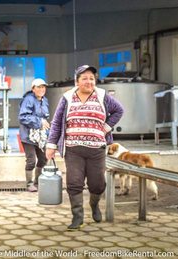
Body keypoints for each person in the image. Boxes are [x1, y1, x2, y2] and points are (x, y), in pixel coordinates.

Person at [45, 65, 124, 231]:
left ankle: (94, 205)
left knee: (98, 184)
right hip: (73, 149)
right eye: (85, 78)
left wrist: (107, 127)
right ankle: (77, 217)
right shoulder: (67, 98)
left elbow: (119, 110)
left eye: (92, 78)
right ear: (77, 81)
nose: (89, 81)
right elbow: (57, 123)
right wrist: (51, 145)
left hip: (97, 150)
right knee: (74, 183)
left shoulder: (102, 96)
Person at [18, 78, 50, 192]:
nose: (42, 89)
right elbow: (23, 117)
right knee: (31, 160)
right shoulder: (28, 100)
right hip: (28, 136)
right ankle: (29, 184)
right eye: (39, 87)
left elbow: (45, 117)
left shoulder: (45, 100)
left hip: (41, 136)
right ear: (33, 89)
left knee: (43, 159)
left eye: (43, 87)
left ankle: (37, 182)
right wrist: (39, 121)